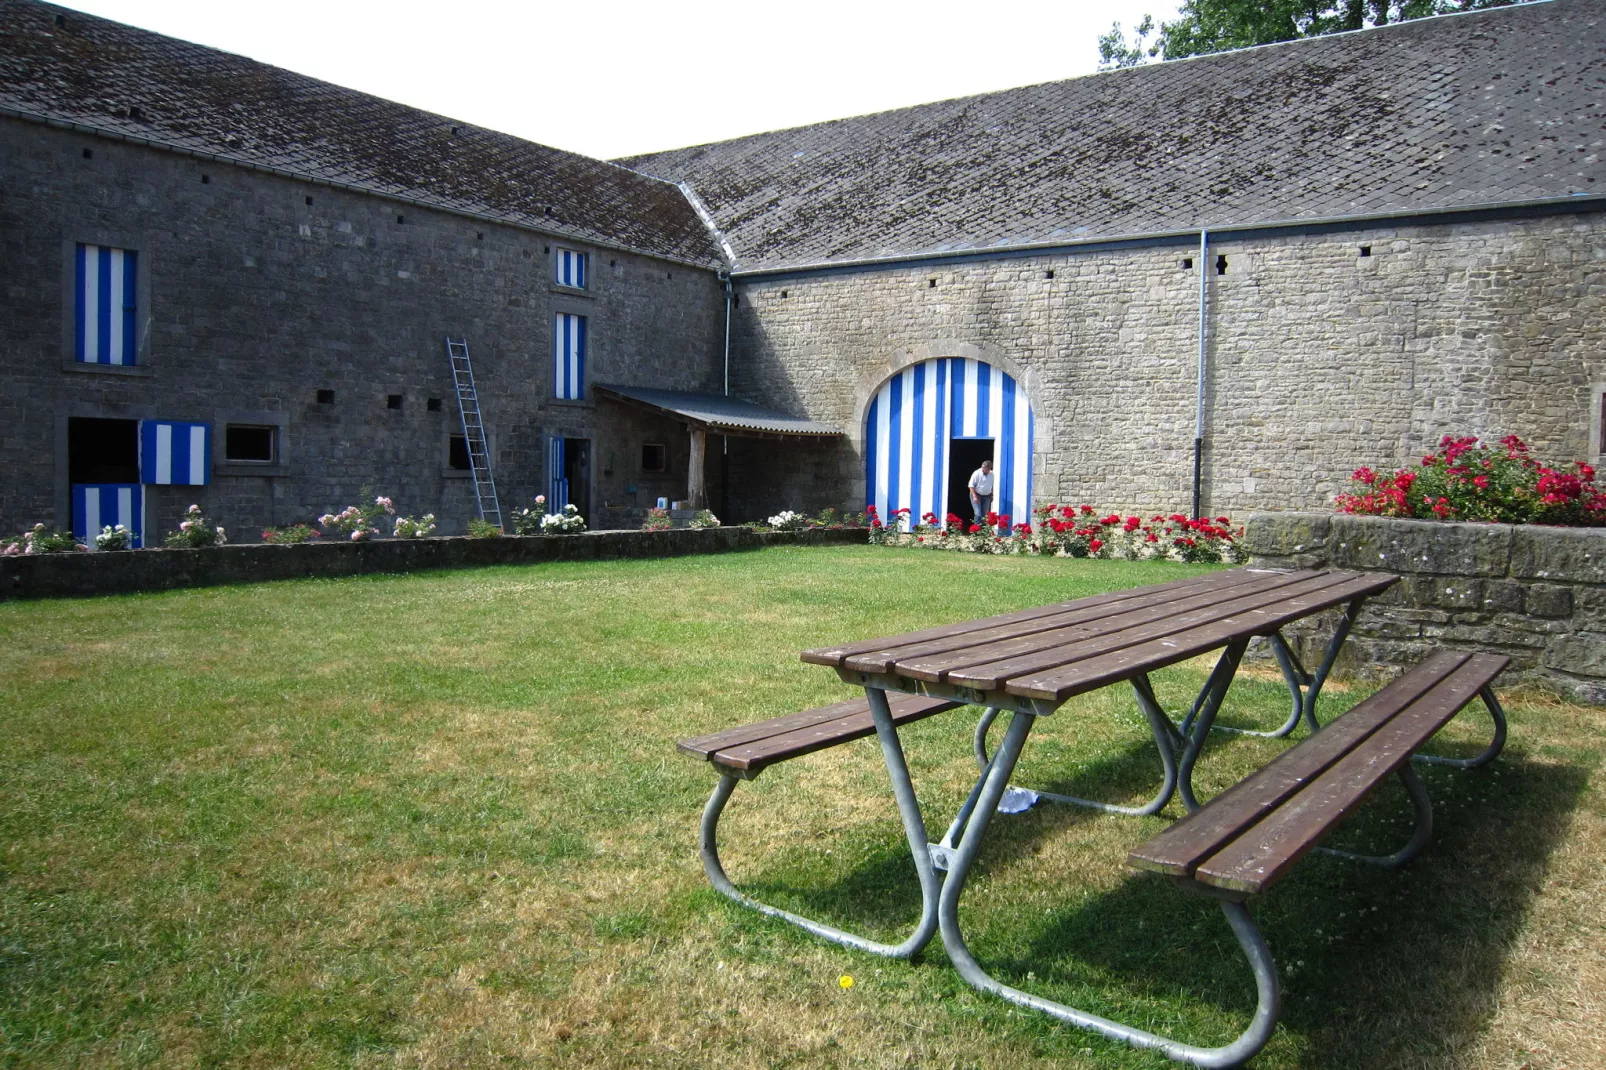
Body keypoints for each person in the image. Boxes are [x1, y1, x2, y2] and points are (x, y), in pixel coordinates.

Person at [968, 458, 995, 525]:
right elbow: (971, 485)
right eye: (984, 468)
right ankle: (977, 530)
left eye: (986, 469)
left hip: (987, 496)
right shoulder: (977, 473)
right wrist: (974, 496)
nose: (985, 470)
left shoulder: (992, 474)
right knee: (978, 513)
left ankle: (983, 530)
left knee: (985, 514)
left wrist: (991, 495)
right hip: (977, 494)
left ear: (989, 468)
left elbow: (991, 485)